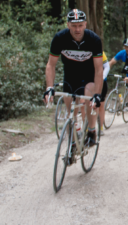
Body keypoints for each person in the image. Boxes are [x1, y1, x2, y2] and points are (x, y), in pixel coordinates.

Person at [43, 9, 103, 146]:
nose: (77, 29)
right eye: (74, 26)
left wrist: (97, 95)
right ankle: (73, 139)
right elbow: (50, 65)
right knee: (70, 108)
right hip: (70, 75)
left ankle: (92, 130)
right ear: (68, 25)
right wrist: (49, 87)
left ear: (85, 24)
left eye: (80, 25)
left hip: (88, 74)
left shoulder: (94, 40)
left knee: (90, 97)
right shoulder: (59, 38)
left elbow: (99, 69)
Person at [99, 51, 111, 136]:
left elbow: (107, 66)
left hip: (101, 82)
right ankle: (87, 128)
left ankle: (100, 127)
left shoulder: (100, 52)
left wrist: (102, 77)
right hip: (88, 82)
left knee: (101, 105)